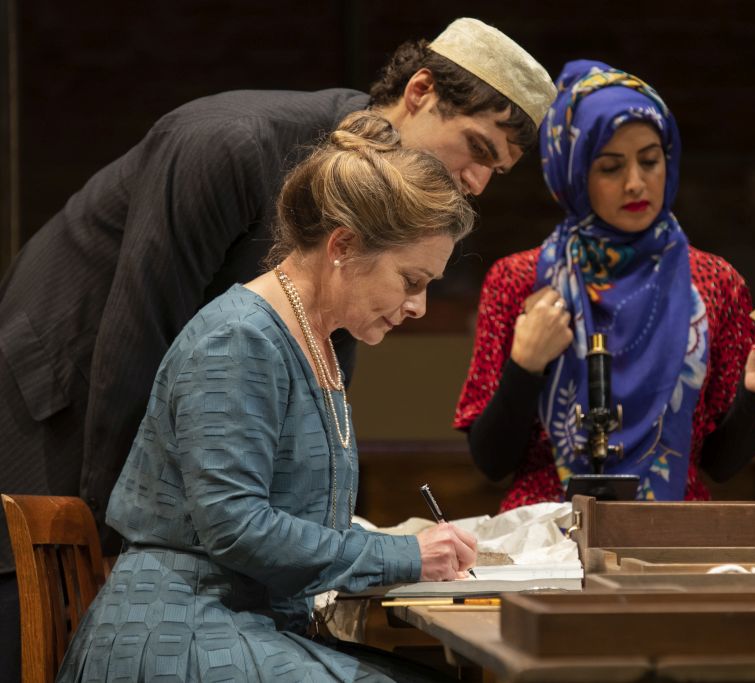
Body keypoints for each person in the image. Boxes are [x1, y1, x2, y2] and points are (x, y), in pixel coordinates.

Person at [0, 17, 555, 673]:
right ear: (420, 91)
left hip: (216, 561)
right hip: (59, 389)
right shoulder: (230, 148)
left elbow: (309, 438)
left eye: (500, 169)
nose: (478, 180)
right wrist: (116, 546)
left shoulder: (320, 295)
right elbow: (138, 334)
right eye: (477, 148)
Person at [57, 110, 478, 683]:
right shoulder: (241, 339)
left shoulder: (311, 340)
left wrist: (403, 549)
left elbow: (287, 517)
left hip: (244, 622)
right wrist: (403, 555)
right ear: (344, 246)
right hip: (180, 632)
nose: (418, 307)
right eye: (411, 281)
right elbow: (234, 524)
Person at [454, 60, 755, 510]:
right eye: (611, 167)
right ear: (574, 173)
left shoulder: (715, 283)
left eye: (650, 161)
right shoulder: (519, 280)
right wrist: (525, 364)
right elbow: (492, 461)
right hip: (546, 540)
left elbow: (719, 465)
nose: (636, 183)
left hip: (672, 536)